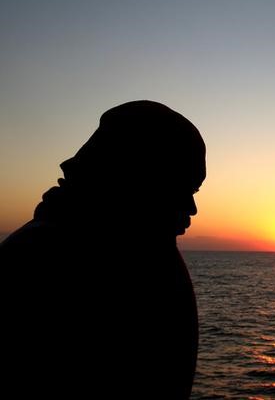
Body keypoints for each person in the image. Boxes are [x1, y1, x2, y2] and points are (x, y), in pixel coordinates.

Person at [0, 100, 206, 399]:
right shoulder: (31, 265)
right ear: (134, 179)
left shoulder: (144, 255)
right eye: (181, 188)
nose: (192, 208)